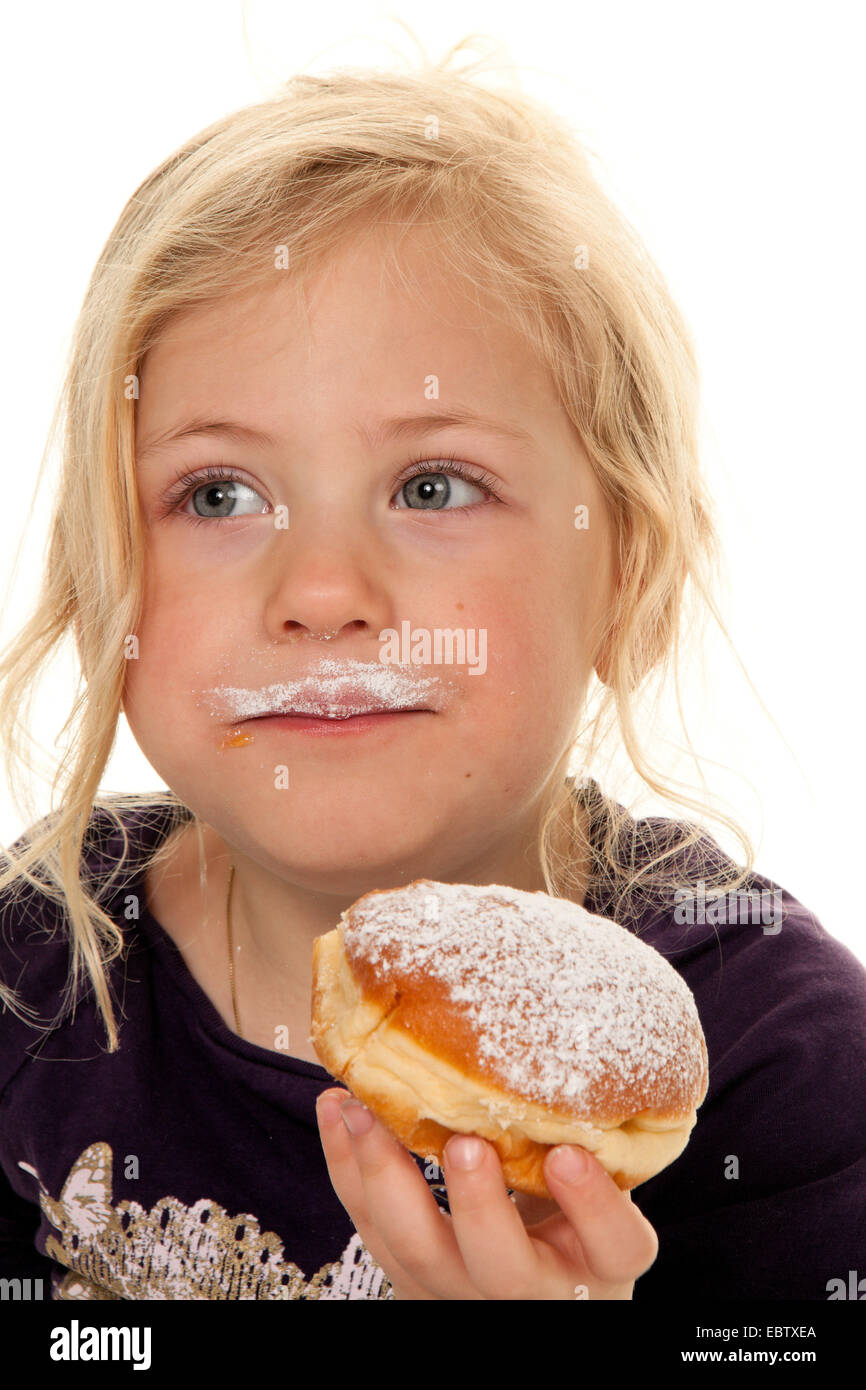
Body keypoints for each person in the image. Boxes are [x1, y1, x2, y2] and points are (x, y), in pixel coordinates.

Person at [1, 38, 864, 1302]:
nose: (320, 593)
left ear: (623, 572)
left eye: (431, 485)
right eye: (219, 492)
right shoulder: (38, 973)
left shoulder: (782, 1068)